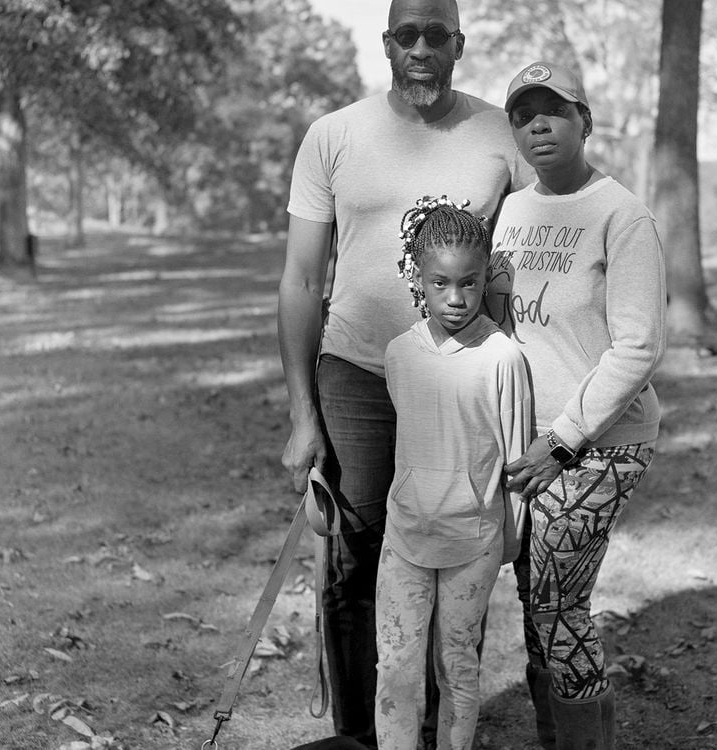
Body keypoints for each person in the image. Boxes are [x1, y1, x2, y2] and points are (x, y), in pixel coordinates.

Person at [277, 1, 527, 746]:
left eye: (436, 35)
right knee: (355, 560)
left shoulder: (500, 136)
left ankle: (441, 728)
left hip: (462, 380)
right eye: (406, 34)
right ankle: (364, 736)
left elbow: (557, 226)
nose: (421, 48)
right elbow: (298, 281)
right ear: (387, 42)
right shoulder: (334, 136)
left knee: (458, 550)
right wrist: (301, 413)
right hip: (355, 374)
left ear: (459, 43)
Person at [486, 61, 667, 750]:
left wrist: (562, 440)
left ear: (583, 122)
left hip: (600, 441)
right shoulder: (511, 211)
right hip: (531, 443)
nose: (539, 123)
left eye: (555, 110)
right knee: (537, 600)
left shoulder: (621, 215)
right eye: (524, 113)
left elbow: (638, 346)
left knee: (558, 603)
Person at [374, 196, 530, 750]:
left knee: (457, 668)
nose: (457, 298)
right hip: (406, 537)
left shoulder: (502, 358)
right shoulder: (399, 354)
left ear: (485, 275)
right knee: (395, 669)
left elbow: (517, 459)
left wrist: (510, 541)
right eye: (441, 283)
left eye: (469, 282)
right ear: (419, 277)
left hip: (474, 542)